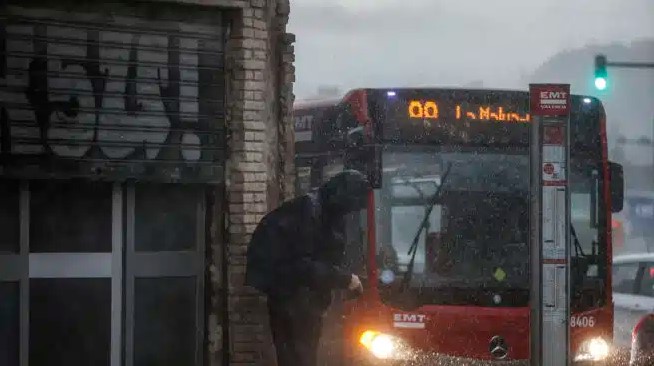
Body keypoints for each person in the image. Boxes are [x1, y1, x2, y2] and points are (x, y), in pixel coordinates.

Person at [245, 170, 369, 366]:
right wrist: (344, 279)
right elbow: (303, 265)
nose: (351, 211)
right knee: (299, 356)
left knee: (299, 355)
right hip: (289, 292)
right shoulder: (309, 210)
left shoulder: (325, 211)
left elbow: (323, 260)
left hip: (294, 292)